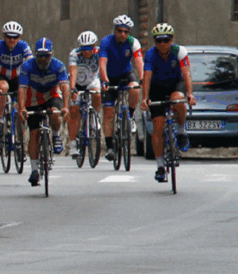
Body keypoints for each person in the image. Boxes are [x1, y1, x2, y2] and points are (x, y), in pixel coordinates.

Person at [141, 23, 196, 183]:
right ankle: (160, 166)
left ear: (171, 40)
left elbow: (186, 74)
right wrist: (145, 98)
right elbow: (147, 76)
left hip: (175, 84)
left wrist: (190, 94)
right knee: (158, 126)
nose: (163, 44)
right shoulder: (150, 54)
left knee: (178, 99)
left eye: (166, 40)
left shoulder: (180, 52)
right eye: (159, 41)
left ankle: (180, 131)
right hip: (157, 88)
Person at [17, 38, 70, 187]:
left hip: (51, 95)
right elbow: (22, 88)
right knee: (34, 133)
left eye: (46, 56)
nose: (42, 59)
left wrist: (65, 107)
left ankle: (55, 135)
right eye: (39, 55)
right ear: (35, 55)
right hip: (33, 98)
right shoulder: (27, 66)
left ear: (51, 55)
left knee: (54, 112)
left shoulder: (58, 66)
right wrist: (21, 108)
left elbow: (65, 87)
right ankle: (34, 170)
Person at [98, 14, 144, 162]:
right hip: (109, 77)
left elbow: (139, 61)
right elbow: (102, 63)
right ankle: (110, 146)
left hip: (125, 74)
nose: (123, 34)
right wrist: (104, 80)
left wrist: (142, 78)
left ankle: (129, 117)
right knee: (109, 113)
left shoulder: (132, 42)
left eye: (126, 31)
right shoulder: (106, 42)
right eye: (120, 31)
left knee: (135, 88)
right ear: (115, 30)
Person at [0, 21, 33, 146]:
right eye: (9, 36)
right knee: (3, 88)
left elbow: (31, 64)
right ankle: (0, 120)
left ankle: (20, 134)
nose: (11, 40)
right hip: (2, 75)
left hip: (17, 77)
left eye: (15, 37)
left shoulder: (23, 46)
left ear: (19, 37)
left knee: (20, 101)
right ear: (4, 36)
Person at [67, 31, 103, 159]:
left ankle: (95, 116)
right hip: (77, 82)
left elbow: (104, 67)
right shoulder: (74, 54)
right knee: (74, 110)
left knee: (97, 95)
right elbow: (73, 71)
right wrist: (72, 89)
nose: (87, 52)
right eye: (84, 49)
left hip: (92, 81)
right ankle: (72, 144)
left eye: (89, 49)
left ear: (94, 46)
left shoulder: (100, 52)